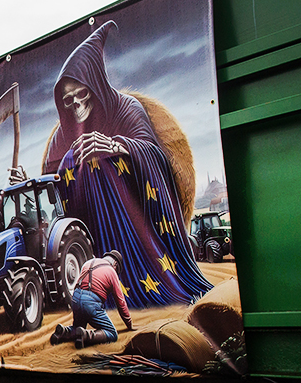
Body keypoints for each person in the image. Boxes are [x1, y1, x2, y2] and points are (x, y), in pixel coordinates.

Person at [14, 20, 213, 308]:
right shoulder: (63, 135)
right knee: (75, 158)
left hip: (139, 224)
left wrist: (117, 147)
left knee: (100, 160)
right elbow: (54, 191)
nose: (75, 105)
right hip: (90, 229)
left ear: (95, 86)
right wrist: (25, 183)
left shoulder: (126, 109)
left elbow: (154, 155)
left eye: (81, 94)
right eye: (67, 100)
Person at [50, 250, 133, 348]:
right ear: (115, 264)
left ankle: (63, 332)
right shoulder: (111, 271)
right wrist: (129, 323)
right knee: (111, 333)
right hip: (90, 302)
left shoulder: (88, 263)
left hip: (76, 299)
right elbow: (121, 302)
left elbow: (78, 284)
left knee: (78, 327)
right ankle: (86, 336)